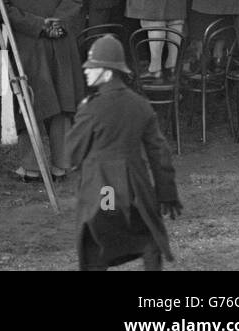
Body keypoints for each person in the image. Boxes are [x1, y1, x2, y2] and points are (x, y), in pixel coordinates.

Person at [70, 36, 181, 271]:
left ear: (108, 72)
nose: (87, 72)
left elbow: (72, 152)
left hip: (104, 191)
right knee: (146, 236)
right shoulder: (140, 105)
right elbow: (159, 153)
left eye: (93, 67)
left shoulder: (91, 108)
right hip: (135, 191)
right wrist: (167, 193)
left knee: (99, 239)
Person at [0, 0, 84, 180]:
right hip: (61, 43)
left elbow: (4, 12)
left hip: (29, 47)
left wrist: (39, 26)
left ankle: (31, 168)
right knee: (63, 103)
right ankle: (62, 165)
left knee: (28, 103)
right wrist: (56, 22)